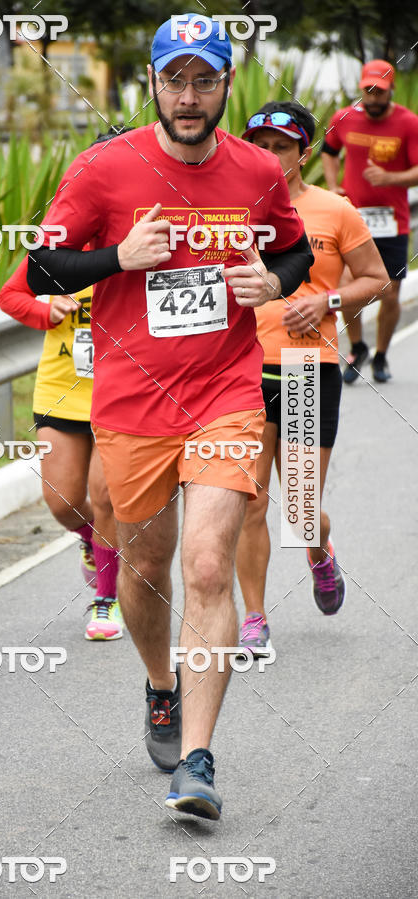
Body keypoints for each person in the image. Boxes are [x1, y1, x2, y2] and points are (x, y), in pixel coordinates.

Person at [26, 13, 314, 821]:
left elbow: (290, 249)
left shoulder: (258, 170)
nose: (190, 96)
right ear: (151, 82)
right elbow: (41, 264)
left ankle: (197, 758)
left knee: (207, 564)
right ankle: (161, 685)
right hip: (132, 405)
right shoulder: (102, 171)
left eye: (206, 79)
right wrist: (117, 258)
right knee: (148, 572)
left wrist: (276, 282)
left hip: (224, 392)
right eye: (175, 79)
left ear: (228, 84)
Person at [236, 101, 388, 653]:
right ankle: (254, 617)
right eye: (261, 144)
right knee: (247, 500)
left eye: (281, 146)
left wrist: (326, 299)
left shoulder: (334, 209)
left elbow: (375, 277)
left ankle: (319, 553)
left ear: (304, 151)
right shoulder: (230, 210)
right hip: (243, 369)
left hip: (306, 367)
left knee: (300, 508)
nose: (271, 155)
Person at [0, 254, 123, 641]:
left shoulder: (136, 243)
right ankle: (91, 540)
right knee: (61, 502)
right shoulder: (58, 249)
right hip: (60, 391)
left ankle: (106, 598)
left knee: (104, 499)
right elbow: (11, 296)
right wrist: (46, 307)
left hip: (120, 391)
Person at [321, 60, 418, 383]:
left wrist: (390, 177)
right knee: (348, 287)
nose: (374, 98)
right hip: (353, 218)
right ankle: (359, 345)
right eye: (369, 91)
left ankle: (380, 355)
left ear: (391, 91)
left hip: (392, 222)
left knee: (390, 292)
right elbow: (328, 149)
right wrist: (333, 185)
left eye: (381, 92)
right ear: (361, 88)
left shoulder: (408, 123)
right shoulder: (344, 118)